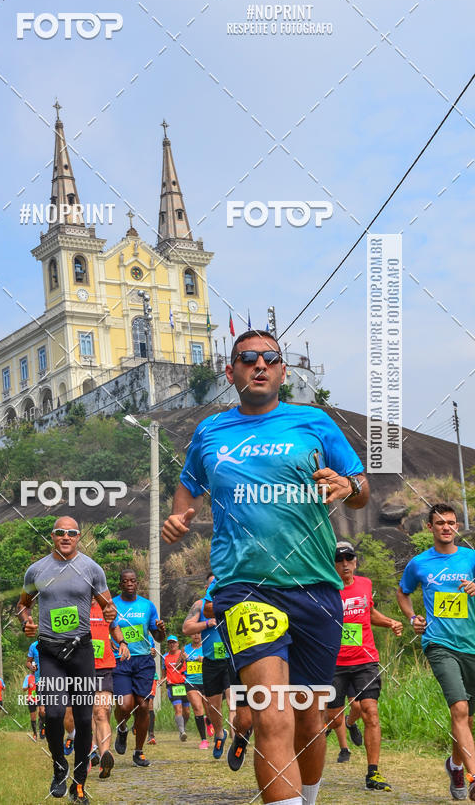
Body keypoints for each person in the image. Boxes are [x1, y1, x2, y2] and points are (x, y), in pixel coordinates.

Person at [163, 330, 369, 805]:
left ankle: (309, 797)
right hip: (244, 585)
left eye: (270, 358)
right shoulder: (211, 431)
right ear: (230, 370)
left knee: (308, 717)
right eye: (247, 358)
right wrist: (179, 515)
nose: (259, 364)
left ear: (281, 370)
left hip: (314, 585)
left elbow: (361, 487)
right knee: (271, 711)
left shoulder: (313, 422)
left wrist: (346, 484)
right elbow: (187, 484)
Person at [17, 516, 119, 804]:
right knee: (54, 713)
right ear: (52, 536)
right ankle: (59, 768)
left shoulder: (91, 568)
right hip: (50, 651)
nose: (66, 536)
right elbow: (23, 605)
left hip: (81, 651)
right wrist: (26, 621)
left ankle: (79, 783)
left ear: (78, 537)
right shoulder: (37, 570)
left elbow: (107, 605)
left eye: (71, 533)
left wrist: (110, 613)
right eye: (60, 532)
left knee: (85, 718)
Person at [397, 503, 475, 802]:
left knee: (467, 719)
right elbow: (403, 592)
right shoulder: (419, 564)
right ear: (429, 527)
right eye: (440, 523)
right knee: (459, 709)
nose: (447, 527)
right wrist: (412, 617)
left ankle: (455, 766)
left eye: (452, 523)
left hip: (472, 644)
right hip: (439, 644)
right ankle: (473, 777)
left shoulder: (471, 558)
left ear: (457, 526)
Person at [325, 540, 402, 790]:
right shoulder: (325, 589)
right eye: (340, 560)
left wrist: (390, 621)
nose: (345, 564)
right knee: (333, 718)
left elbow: (368, 613)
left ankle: (373, 773)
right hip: (335, 663)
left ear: (355, 562)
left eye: (349, 559)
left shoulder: (365, 584)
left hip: (365, 659)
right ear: (333, 564)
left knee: (370, 711)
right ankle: (346, 723)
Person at [182, 573, 250, 765]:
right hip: (211, 662)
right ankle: (219, 734)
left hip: (231, 659)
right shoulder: (201, 605)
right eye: (212, 584)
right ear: (207, 589)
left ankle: (238, 739)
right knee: (213, 706)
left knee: (233, 702)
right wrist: (207, 623)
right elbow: (186, 629)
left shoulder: (233, 600)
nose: (215, 587)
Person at [112, 569, 166, 767]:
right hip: (120, 660)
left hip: (143, 661)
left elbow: (158, 638)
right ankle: (122, 727)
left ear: (137, 583)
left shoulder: (147, 606)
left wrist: (161, 632)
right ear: (120, 585)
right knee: (125, 705)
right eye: (125, 581)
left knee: (143, 706)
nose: (129, 584)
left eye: (133, 581)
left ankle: (139, 751)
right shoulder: (112, 605)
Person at [89, 597, 128, 779]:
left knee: (102, 712)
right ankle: (91, 750)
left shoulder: (106, 608)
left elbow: (114, 626)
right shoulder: (72, 605)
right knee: (83, 715)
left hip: (103, 668)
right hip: (78, 668)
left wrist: (122, 643)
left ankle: (105, 754)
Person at [183, 631, 211, 749]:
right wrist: (182, 660)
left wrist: (205, 661)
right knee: (197, 708)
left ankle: (209, 721)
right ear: (190, 635)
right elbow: (178, 667)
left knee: (209, 710)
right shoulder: (185, 648)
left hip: (206, 681)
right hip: (191, 682)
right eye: (193, 633)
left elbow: (215, 664)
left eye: (199, 633)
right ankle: (204, 740)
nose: (196, 635)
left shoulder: (207, 647)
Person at [162, 634, 190, 741]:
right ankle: (182, 732)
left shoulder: (183, 654)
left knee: (187, 712)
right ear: (168, 645)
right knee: (178, 709)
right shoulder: (165, 657)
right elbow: (164, 673)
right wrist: (162, 679)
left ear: (178, 644)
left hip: (184, 684)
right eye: (170, 642)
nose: (172, 644)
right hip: (172, 686)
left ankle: (183, 727)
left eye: (174, 642)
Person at [26, 642, 46, 739]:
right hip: (39, 682)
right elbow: (28, 662)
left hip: (54, 681)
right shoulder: (33, 646)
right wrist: (31, 667)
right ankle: (43, 727)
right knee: (42, 710)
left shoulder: (54, 641)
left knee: (54, 710)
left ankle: (50, 728)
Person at [23, 670, 39, 740]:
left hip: (40, 697)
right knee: (33, 717)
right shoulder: (28, 677)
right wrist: (28, 686)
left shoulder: (40, 676)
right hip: (31, 698)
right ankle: (35, 734)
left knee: (41, 714)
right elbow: (24, 689)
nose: (34, 669)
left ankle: (43, 731)